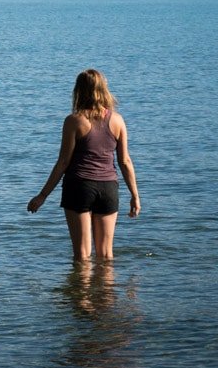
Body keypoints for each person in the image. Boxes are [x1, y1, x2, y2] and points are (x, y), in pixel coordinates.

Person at [27, 69, 140, 262]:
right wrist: (135, 195)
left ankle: (81, 293)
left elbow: (63, 162)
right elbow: (125, 161)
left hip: (79, 187)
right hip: (108, 188)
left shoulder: (74, 121)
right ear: (103, 90)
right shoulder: (117, 120)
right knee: (106, 255)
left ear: (79, 91)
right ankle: (107, 293)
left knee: (82, 255)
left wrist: (43, 195)